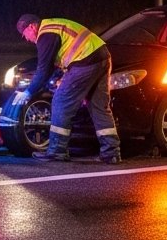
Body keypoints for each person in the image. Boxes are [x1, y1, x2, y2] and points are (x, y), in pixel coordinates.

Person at [14, 13, 123, 165]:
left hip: (85, 61)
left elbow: (44, 69)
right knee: (99, 107)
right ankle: (111, 153)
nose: (26, 39)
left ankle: (57, 151)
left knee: (60, 102)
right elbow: (55, 64)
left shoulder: (45, 34)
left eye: (24, 34)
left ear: (31, 27)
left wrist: (29, 92)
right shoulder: (54, 25)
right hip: (102, 56)